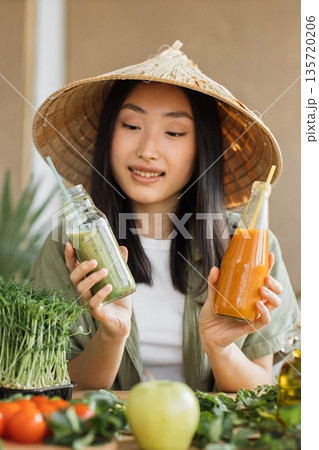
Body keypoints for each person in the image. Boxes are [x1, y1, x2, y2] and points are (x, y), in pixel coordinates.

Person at [30, 41, 299, 392]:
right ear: (108, 135)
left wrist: (221, 348)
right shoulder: (68, 249)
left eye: (173, 132)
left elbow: (259, 390)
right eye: (130, 125)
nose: (147, 150)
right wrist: (113, 334)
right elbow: (52, 390)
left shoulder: (249, 247)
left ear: (203, 148)